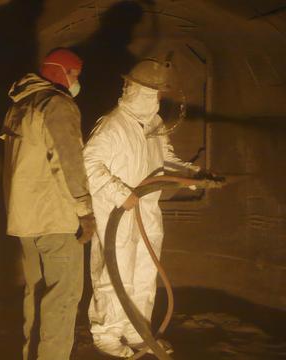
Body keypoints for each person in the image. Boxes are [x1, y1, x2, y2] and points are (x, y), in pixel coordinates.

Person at [84, 58, 201, 357]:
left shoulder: (154, 124)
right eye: (157, 93)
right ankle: (107, 334)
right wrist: (120, 192)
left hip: (146, 210)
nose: (160, 98)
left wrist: (191, 174)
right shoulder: (112, 125)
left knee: (144, 273)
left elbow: (166, 159)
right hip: (117, 213)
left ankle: (138, 332)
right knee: (114, 272)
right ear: (141, 92)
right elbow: (88, 163)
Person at [1, 48, 96, 360]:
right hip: (55, 218)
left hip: (24, 220)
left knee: (36, 293)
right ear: (62, 72)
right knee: (63, 297)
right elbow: (67, 161)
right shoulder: (56, 104)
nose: (76, 82)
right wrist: (84, 210)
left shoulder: (20, 105)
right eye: (75, 75)